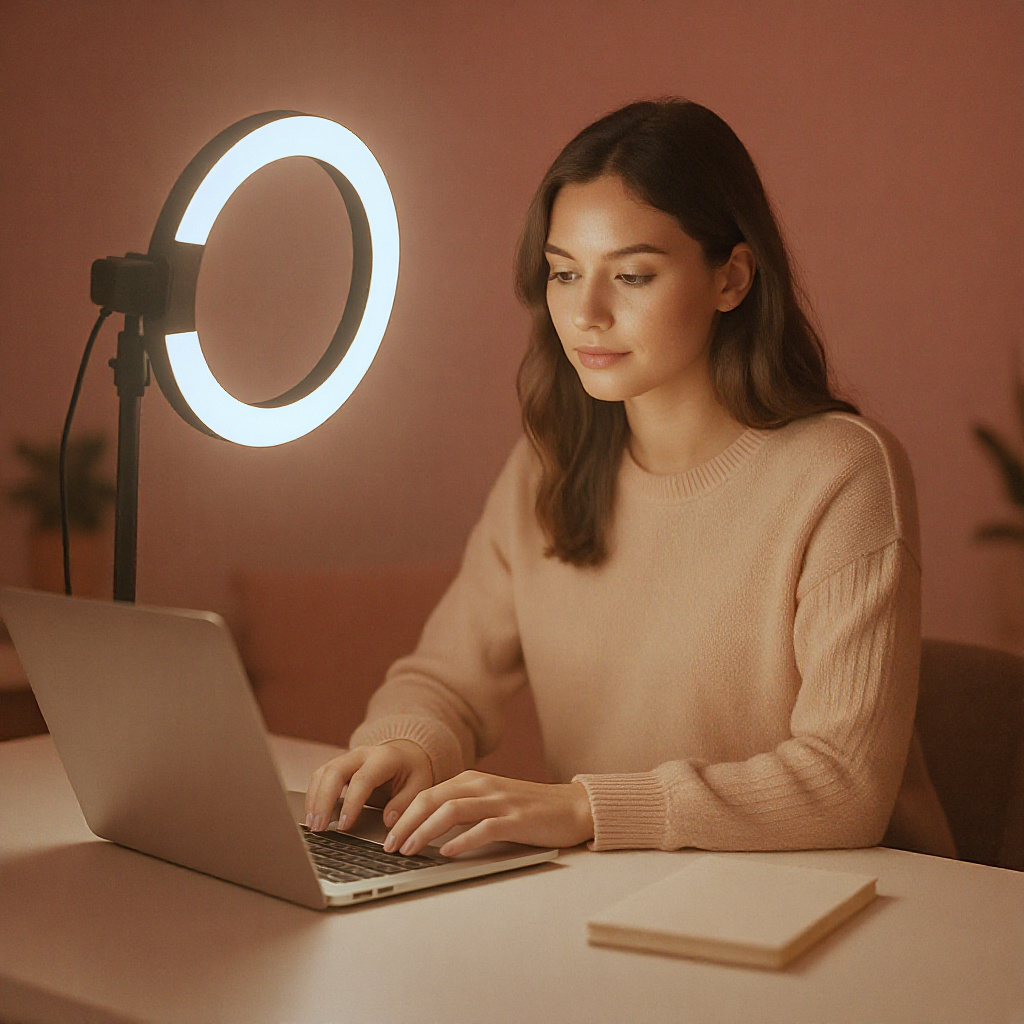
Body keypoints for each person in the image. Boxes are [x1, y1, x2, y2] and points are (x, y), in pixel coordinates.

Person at [305, 98, 956, 861]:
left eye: (634, 275)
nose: (587, 313)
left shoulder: (841, 473)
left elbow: (843, 784)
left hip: (855, 911)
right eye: (563, 273)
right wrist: (402, 744)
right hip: (623, 897)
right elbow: (446, 679)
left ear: (733, 278)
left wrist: (587, 808)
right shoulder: (549, 466)